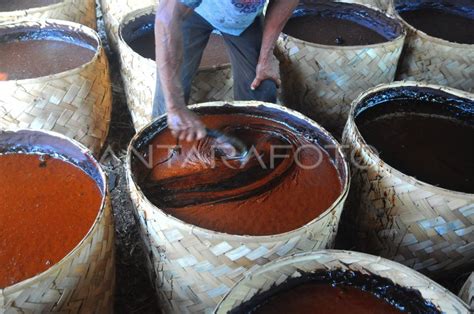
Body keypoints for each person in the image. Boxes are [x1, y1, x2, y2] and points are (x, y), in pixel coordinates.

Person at [154, 0, 299, 141]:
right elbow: (166, 18)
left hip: (243, 21)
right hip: (191, 13)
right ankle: (159, 150)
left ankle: (250, 151)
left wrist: (266, 57)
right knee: (169, 99)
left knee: (262, 87)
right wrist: (175, 106)